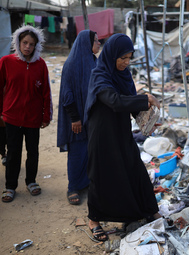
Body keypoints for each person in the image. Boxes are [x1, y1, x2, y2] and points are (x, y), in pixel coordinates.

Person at [84, 33, 161, 241]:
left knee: (134, 167)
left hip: (120, 130)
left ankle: (149, 210)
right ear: (112, 55)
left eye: (129, 58)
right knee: (100, 175)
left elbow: (129, 102)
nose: (126, 63)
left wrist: (147, 119)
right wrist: (144, 100)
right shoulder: (99, 74)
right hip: (101, 134)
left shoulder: (124, 75)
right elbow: (115, 101)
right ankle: (94, 220)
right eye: (122, 58)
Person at [0, 25, 52, 203]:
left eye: (31, 44)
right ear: (18, 42)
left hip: (33, 118)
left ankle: (31, 181)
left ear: (37, 46)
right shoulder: (6, 62)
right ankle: (10, 186)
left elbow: (46, 92)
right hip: (12, 117)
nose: (27, 47)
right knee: (13, 152)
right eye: (24, 42)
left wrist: (46, 116)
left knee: (33, 152)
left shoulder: (41, 64)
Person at [57, 30, 100, 205]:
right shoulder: (71, 64)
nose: (99, 44)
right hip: (76, 119)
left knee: (91, 152)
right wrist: (75, 118)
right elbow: (67, 95)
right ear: (86, 43)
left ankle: (87, 182)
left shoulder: (95, 62)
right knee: (77, 152)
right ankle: (73, 187)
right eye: (96, 41)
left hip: (92, 117)